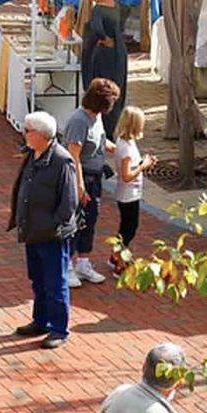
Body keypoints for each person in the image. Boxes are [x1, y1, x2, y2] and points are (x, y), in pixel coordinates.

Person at [7, 109, 79, 350]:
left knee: (55, 282)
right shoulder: (32, 154)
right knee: (37, 279)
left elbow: (69, 203)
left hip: (51, 235)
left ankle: (59, 329)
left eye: (27, 130)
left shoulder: (62, 161)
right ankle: (41, 321)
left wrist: (52, 226)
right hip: (33, 232)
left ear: (41, 134)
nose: (24, 133)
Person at [65, 78, 119, 288]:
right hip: (82, 177)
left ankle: (83, 263)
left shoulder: (96, 118)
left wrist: (124, 150)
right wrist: (80, 187)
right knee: (75, 222)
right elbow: (74, 157)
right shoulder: (79, 121)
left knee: (90, 219)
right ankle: (67, 266)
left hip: (95, 178)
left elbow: (102, 142)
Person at [81, 0, 128, 135]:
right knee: (116, 88)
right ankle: (114, 125)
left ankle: (104, 129)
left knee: (101, 89)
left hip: (104, 55)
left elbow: (96, 29)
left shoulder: (98, 10)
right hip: (119, 52)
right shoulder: (116, 5)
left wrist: (103, 38)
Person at [111, 106, 156, 272]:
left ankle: (117, 255)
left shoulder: (126, 142)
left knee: (127, 226)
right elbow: (126, 175)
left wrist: (143, 162)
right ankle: (119, 261)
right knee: (129, 228)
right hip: (128, 194)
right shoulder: (126, 149)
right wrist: (143, 166)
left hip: (131, 192)